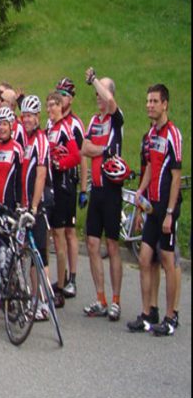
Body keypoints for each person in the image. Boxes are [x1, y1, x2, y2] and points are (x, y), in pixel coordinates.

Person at [128, 84, 182, 337]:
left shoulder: (173, 134)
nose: (149, 105)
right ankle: (149, 312)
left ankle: (172, 316)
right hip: (151, 205)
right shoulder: (150, 135)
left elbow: (176, 175)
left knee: (168, 260)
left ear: (165, 105)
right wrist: (140, 194)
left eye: (154, 101)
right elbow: (149, 167)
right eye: (148, 100)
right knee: (145, 258)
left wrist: (170, 212)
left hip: (167, 206)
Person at [81, 69, 125, 321]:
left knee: (112, 245)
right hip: (96, 189)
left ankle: (116, 299)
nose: (98, 96)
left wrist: (95, 81)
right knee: (93, 243)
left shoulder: (116, 118)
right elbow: (84, 148)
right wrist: (104, 150)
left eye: (101, 91)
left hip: (111, 189)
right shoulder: (95, 121)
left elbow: (109, 101)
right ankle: (100, 297)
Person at [19, 95, 55, 321]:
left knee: (40, 255)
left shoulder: (41, 140)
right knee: (31, 254)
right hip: (28, 205)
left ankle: (43, 302)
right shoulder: (27, 140)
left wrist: (33, 206)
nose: (28, 119)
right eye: (25, 115)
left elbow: (41, 174)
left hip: (39, 206)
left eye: (31, 115)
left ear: (38, 117)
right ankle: (35, 298)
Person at [45, 91, 82, 308]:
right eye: (48, 106)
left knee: (60, 236)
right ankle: (56, 279)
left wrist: (60, 163)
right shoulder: (49, 128)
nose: (50, 109)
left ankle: (60, 285)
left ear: (61, 107)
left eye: (53, 106)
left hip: (64, 186)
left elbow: (76, 156)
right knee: (53, 234)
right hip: (52, 186)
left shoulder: (66, 128)